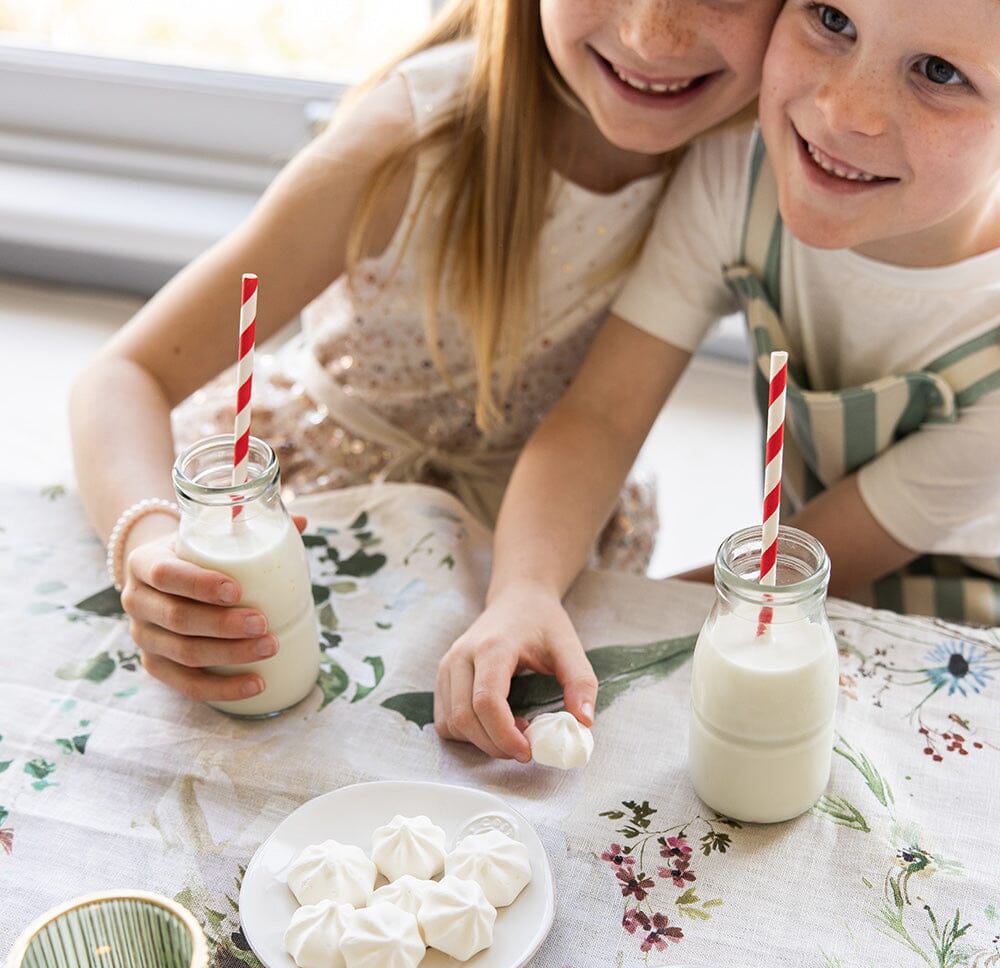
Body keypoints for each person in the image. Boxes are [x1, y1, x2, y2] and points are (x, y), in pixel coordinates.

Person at [69, 0, 779, 708]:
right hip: (320, 502)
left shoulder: (745, 172)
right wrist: (149, 546)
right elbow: (126, 373)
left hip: (541, 536)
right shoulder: (409, 136)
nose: (649, 36)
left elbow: (601, 418)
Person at [436, 0, 1000, 760]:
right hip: (796, 587)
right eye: (832, 19)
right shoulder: (739, 175)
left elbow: (823, 560)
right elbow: (600, 416)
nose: (843, 111)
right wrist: (524, 593)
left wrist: (623, 627)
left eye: (939, 72)